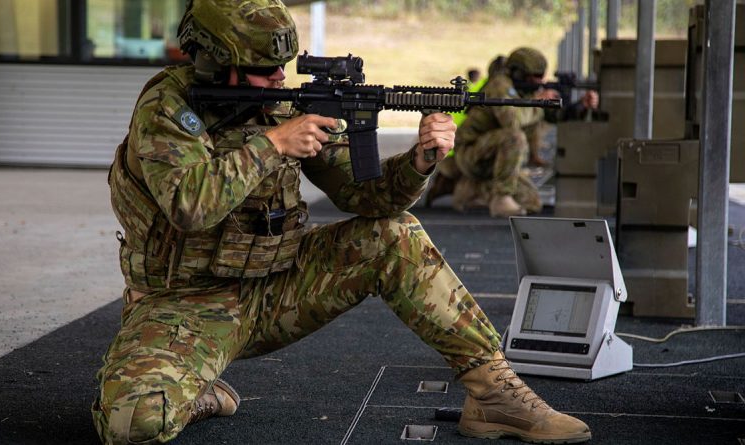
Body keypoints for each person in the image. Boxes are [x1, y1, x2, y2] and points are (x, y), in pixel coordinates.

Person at [91, 2, 591, 444]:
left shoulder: (279, 103)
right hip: (183, 306)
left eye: (281, 68)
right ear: (215, 64)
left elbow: (367, 197)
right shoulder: (167, 110)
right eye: (264, 71)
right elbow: (187, 205)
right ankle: (196, 392)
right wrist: (272, 146)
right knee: (134, 423)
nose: (279, 81)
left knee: (393, 235)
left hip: (274, 287)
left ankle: (494, 392)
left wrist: (419, 160)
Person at [425, 47, 598, 216]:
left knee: (531, 201)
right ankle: (500, 197)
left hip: (494, 156)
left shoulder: (525, 90)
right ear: (518, 73)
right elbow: (512, 122)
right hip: (470, 153)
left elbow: (554, 115)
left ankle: (468, 188)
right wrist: (538, 102)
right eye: (533, 78)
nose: (538, 82)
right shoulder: (500, 85)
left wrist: (580, 105)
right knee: (514, 138)